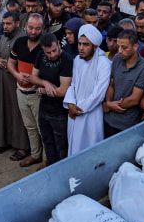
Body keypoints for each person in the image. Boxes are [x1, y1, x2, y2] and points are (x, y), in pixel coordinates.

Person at [65, 24, 112, 156]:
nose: (81, 48)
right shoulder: (77, 60)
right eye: (79, 44)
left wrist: (79, 108)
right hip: (74, 112)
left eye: (86, 44)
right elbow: (73, 84)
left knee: (90, 150)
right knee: (74, 149)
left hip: (91, 114)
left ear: (95, 46)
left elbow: (98, 94)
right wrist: (70, 103)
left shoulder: (104, 64)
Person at [0, 11, 31, 159]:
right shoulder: (3, 37)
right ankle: (5, 141)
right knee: (4, 110)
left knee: (19, 113)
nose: (5, 27)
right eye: (4, 24)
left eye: (9, 24)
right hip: (3, 80)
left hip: (17, 82)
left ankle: (22, 147)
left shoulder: (22, 39)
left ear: (18, 24)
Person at [29, 33, 74, 166]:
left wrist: (41, 90)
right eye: (48, 52)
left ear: (59, 44)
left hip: (60, 112)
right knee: (47, 143)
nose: (52, 55)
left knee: (61, 147)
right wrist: (46, 84)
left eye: (54, 50)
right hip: (44, 108)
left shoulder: (67, 60)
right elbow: (33, 78)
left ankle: (61, 174)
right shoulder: (40, 55)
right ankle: (49, 170)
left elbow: (62, 91)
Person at [8, 13, 44, 167]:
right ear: (25, 27)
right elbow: (11, 63)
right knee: (30, 127)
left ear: (42, 29)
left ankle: (46, 160)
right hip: (21, 91)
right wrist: (17, 75)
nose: (33, 31)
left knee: (42, 128)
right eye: (30, 27)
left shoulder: (45, 47)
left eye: (37, 28)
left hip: (38, 95)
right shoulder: (20, 42)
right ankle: (35, 155)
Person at [102, 29, 144, 138]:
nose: (120, 50)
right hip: (108, 120)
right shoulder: (117, 58)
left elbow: (134, 99)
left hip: (127, 125)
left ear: (135, 47)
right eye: (119, 46)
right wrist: (108, 101)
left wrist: (110, 106)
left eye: (124, 47)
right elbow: (111, 84)